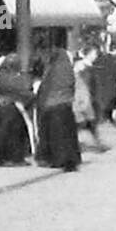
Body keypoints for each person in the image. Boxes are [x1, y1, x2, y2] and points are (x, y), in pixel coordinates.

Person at [35, 42, 82, 171]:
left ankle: (53, 158)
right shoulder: (67, 68)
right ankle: (68, 159)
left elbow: (45, 87)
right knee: (66, 135)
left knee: (53, 135)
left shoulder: (52, 68)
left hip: (51, 105)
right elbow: (71, 85)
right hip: (65, 105)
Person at [0, 47, 36, 166]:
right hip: (15, 109)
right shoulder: (18, 78)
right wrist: (32, 97)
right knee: (15, 134)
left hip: (0, 108)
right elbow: (24, 92)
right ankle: (14, 157)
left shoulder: (0, 76)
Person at [73, 41, 108, 152]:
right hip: (84, 97)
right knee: (84, 122)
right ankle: (96, 143)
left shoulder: (88, 66)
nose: (95, 56)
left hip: (90, 96)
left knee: (89, 122)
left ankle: (97, 143)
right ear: (88, 54)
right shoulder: (81, 66)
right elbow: (80, 83)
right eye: (93, 53)